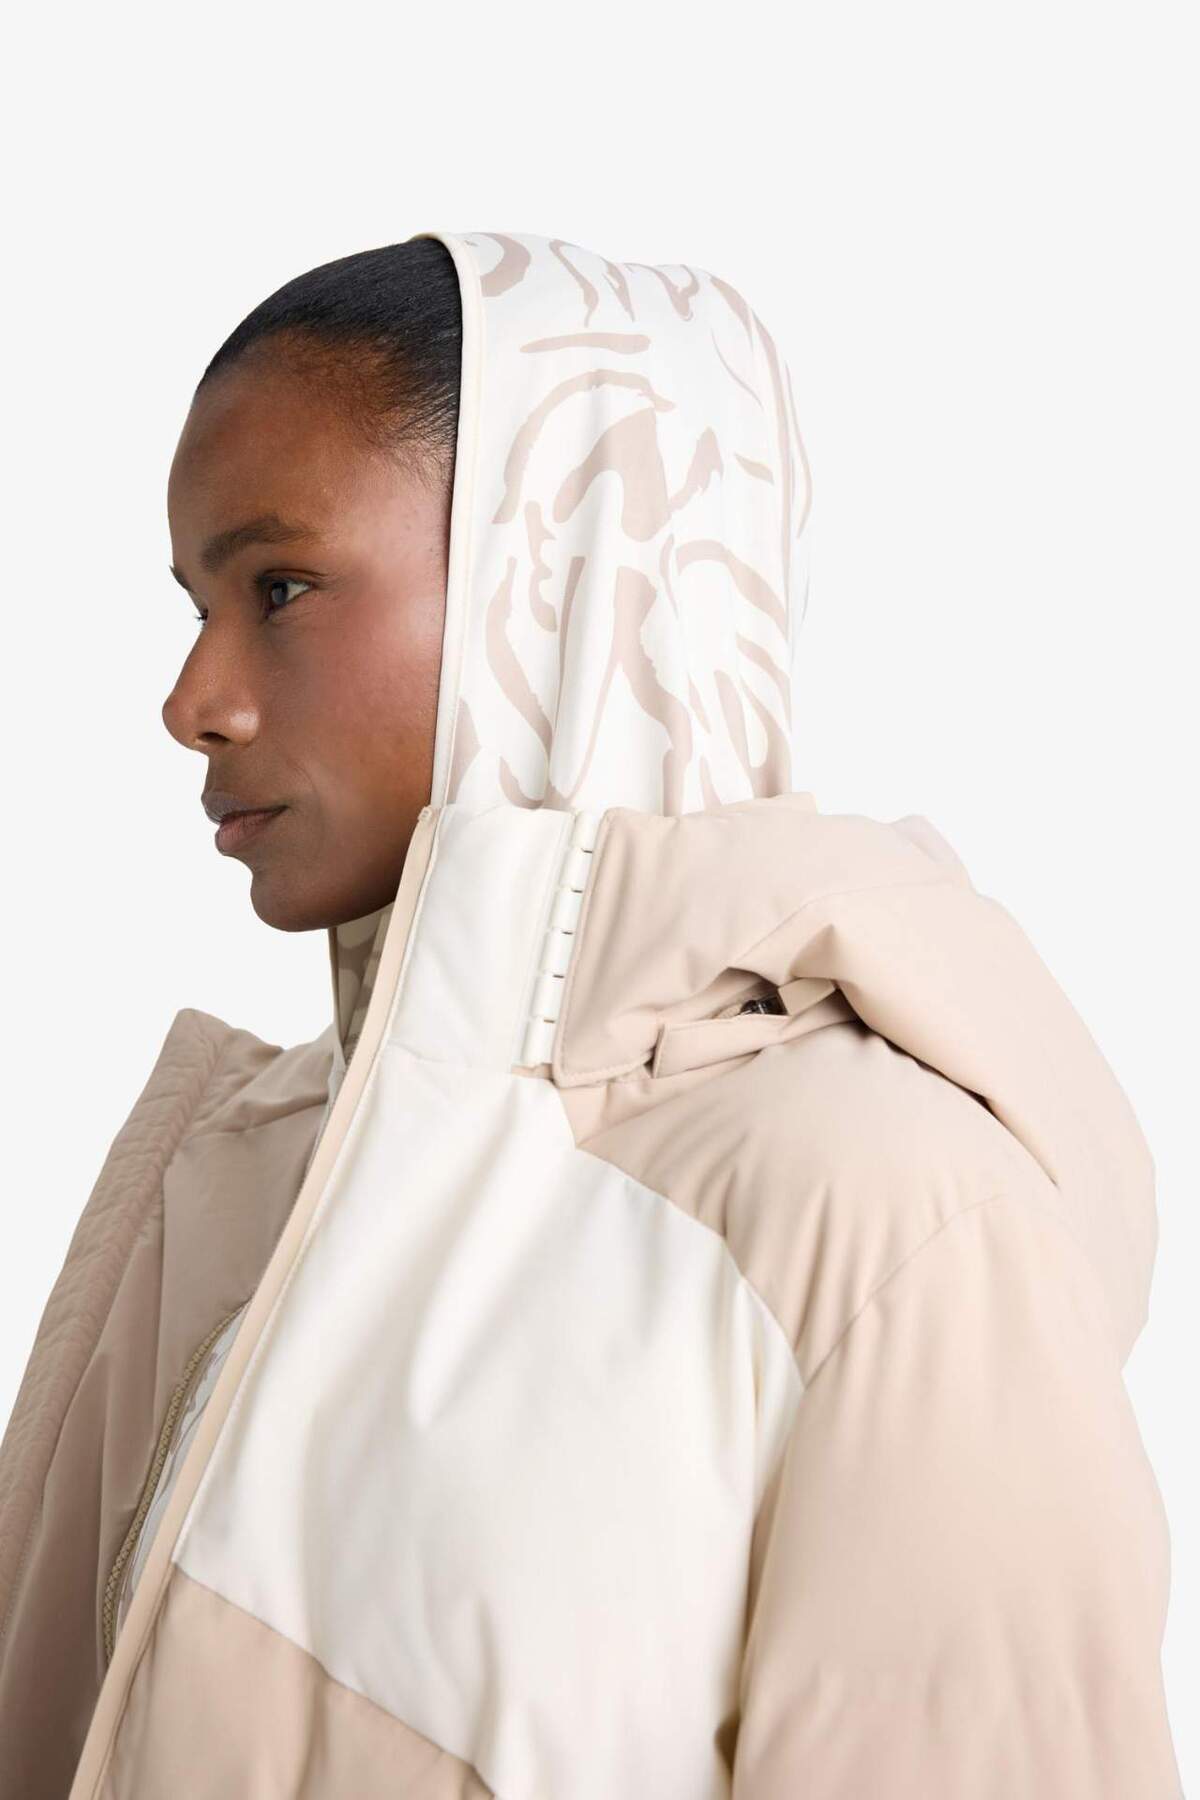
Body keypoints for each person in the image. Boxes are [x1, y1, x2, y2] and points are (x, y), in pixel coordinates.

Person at [0, 230, 1182, 1799]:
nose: (191, 700)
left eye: (278, 587)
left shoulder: (881, 1215)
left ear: (554, 582)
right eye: (194, 602)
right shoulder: (243, 1163)